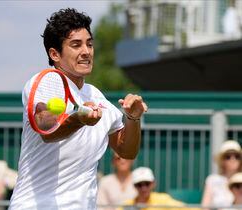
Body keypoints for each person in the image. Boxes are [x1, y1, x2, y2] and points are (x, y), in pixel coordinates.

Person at [9, 8, 148, 210]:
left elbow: (127, 151)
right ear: (54, 54)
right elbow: (46, 129)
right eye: (76, 45)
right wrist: (79, 119)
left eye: (89, 44)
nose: (86, 51)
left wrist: (133, 118)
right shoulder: (45, 83)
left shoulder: (99, 98)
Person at [119, 167, 185, 210]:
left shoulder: (163, 200)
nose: (143, 188)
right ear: (134, 186)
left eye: (147, 183)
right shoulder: (127, 205)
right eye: (139, 185)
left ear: (153, 183)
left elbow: (186, 208)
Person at [201, 140, 242, 207]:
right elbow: (205, 207)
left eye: (237, 156)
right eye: (228, 156)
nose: (233, 159)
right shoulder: (213, 180)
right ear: (222, 160)